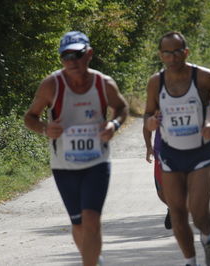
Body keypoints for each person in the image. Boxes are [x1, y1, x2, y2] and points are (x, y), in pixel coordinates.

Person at [24, 31, 128, 266]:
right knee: (78, 223)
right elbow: (29, 117)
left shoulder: (104, 83)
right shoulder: (51, 85)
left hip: (97, 162)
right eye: (65, 56)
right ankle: (93, 259)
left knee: (91, 219)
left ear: (89, 54)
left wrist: (114, 124)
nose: (71, 61)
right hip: (64, 165)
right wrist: (45, 129)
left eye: (76, 55)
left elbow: (122, 108)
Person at [144, 31, 210, 266]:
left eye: (177, 51)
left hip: (200, 152)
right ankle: (190, 261)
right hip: (170, 153)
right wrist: (150, 122)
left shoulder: (204, 77)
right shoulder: (156, 82)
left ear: (186, 52)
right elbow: (147, 113)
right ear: (161, 55)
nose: (173, 57)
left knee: (199, 213)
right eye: (167, 52)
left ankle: (208, 238)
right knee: (177, 213)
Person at [143, 125, 172, 229]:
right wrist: (149, 147)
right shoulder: (157, 108)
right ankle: (172, 207)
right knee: (161, 191)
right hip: (161, 152)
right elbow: (147, 124)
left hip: (185, 149)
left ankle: (179, 208)